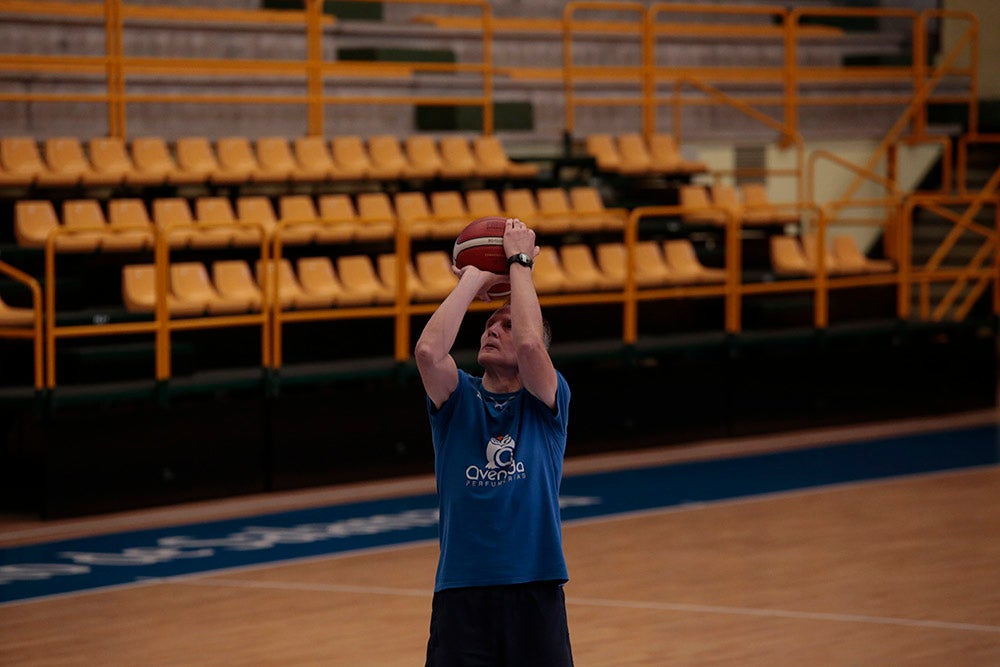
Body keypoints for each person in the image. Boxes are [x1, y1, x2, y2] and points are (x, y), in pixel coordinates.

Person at [414, 217, 574, 666]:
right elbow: (428, 352)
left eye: (504, 324)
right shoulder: (457, 398)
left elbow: (529, 344)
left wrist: (519, 261)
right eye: (488, 324)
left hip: (534, 587)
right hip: (462, 592)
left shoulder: (547, 399)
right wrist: (475, 279)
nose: (492, 330)